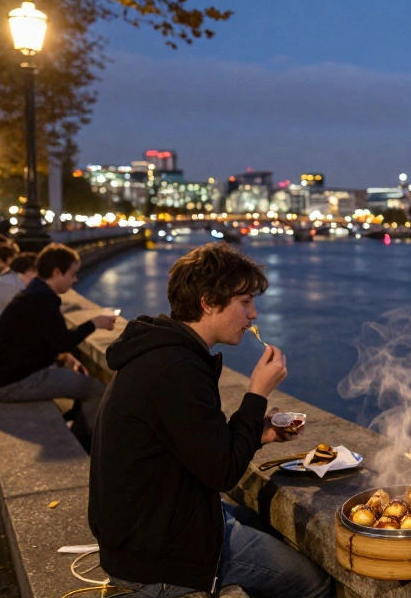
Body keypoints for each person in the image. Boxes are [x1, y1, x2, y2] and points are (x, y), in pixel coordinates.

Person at [89, 242, 333, 598]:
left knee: (264, 524)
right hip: (159, 556)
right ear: (207, 302)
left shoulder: (165, 353)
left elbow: (201, 445)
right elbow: (222, 472)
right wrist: (257, 393)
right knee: (314, 584)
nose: (254, 316)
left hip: (149, 529)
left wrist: (257, 433)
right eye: (245, 302)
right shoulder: (176, 370)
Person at [0, 244, 116, 447]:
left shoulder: (35, 293)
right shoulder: (41, 299)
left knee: (81, 381)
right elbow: (62, 340)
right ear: (56, 272)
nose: (75, 280)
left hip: (9, 376)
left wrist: (64, 357)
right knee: (96, 389)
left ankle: (79, 426)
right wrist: (94, 323)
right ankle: (84, 441)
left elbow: (47, 339)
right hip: (17, 382)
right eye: (72, 274)